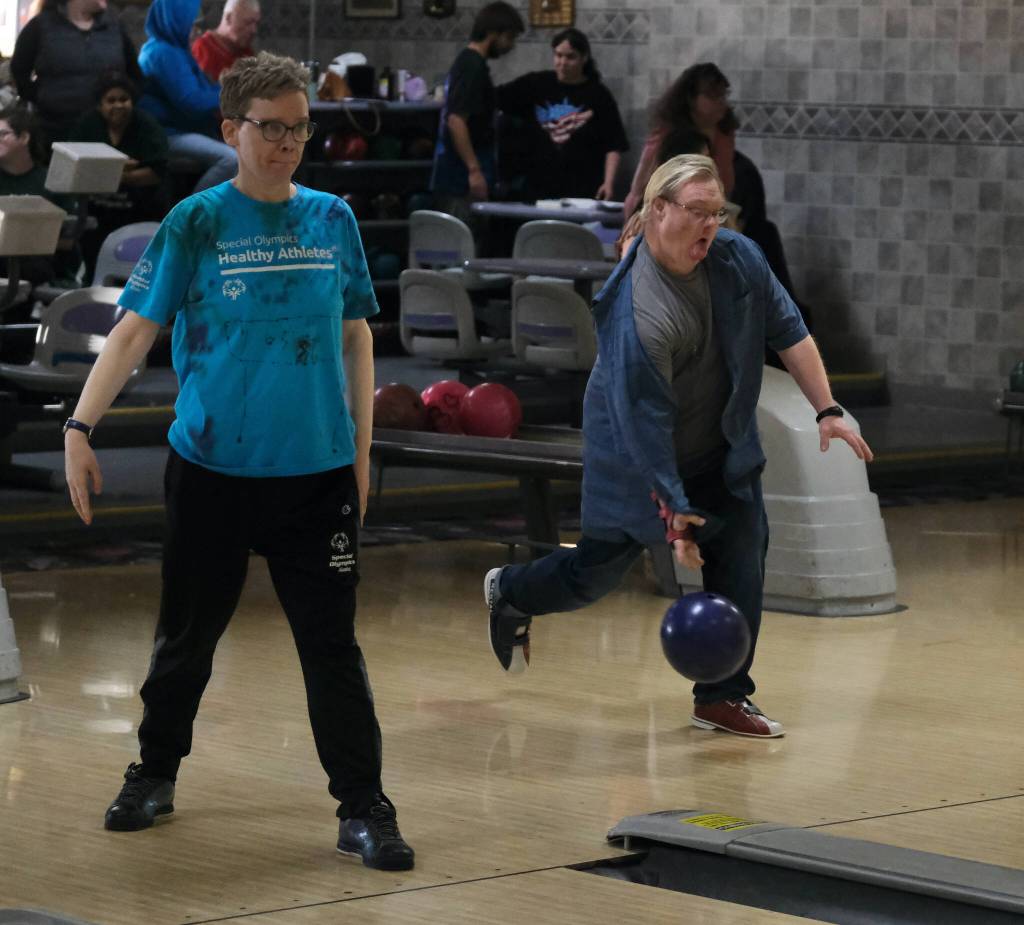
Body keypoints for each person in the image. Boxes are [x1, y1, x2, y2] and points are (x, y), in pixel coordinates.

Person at [62, 51, 414, 871]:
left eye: (300, 128)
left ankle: (363, 805)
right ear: (232, 130)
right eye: (271, 129)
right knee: (185, 638)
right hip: (213, 470)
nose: (289, 143)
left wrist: (359, 456)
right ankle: (153, 771)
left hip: (317, 474)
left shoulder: (333, 220)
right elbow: (135, 331)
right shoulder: (197, 221)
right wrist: (79, 426)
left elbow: (357, 336)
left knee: (333, 648)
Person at [484, 155, 872, 738]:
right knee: (593, 575)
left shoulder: (737, 258)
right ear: (658, 209)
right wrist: (675, 517)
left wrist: (828, 409)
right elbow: (645, 426)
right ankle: (511, 591)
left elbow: (788, 329)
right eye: (696, 212)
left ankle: (722, 696)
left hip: (720, 446)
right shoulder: (640, 310)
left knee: (743, 554)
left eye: (716, 213)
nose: (709, 225)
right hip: (635, 459)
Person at [495, 28, 628, 202]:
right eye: (558, 55)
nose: (562, 62)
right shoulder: (536, 84)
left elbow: (614, 144)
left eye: (570, 57)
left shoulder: (598, 94)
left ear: (584, 58)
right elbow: (495, 98)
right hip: (537, 185)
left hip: (582, 186)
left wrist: (608, 183)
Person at [69, 71, 169, 282]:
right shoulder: (88, 124)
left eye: (124, 99)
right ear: (100, 105)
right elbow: (75, 166)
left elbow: (157, 172)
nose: (118, 105)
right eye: (111, 100)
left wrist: (107, 173)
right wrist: (124, 170)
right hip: (96, 216)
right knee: (93, 272)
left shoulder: (146, 125)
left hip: (140, 213)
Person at [429, 0, 524, 221]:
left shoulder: (470, 63)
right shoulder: (472, 66)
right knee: (463, 243)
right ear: (493, 33)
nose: (510, 46)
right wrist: (474, 170)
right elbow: (456, 120)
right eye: (509, 37)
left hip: (458, 175)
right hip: (459, 179)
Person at [10, 0, 143, 150]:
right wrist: (43, 98)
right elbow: (19, 70)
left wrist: (122, 105)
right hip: (55, 130)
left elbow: (135, 74)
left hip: (108, 131)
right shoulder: (40, 26)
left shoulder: (114, 27)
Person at [138, 0, 238, 193]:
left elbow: (199, 93)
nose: (197, 31)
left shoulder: (175, 51)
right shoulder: (161, 53)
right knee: (230, 159)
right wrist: (230, 93)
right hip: (167, 133)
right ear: (176, 22)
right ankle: (191, 215)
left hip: (181, 128)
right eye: (192, 25)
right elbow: (191, 101)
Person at [623, 63, 733, 218]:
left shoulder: (723, 131)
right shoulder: (667, 132)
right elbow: (642, 187)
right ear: (690, 99)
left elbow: (725, 183)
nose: (721, 102)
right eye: (712, 95)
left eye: (723, 95)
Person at [0, 104, 79, 292]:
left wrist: (19, 242)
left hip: (41, 262)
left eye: (3, 134)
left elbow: (69, 240)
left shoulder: (52, 182)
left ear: (24, 137)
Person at [192, 0, 261, 84]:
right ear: (228, 18)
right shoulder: (202, 50)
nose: (254, 30)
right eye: (247, 23)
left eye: (256, 23)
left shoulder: (248, 53)